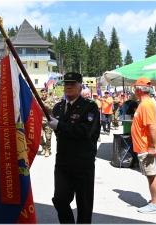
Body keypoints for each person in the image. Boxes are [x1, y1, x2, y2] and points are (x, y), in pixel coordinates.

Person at [46, 72, 100, 223]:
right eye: (66, 84)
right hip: (63, 162)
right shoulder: (58, 107)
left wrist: (60, 126)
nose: (68, 87)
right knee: (60, 200)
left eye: (72, 84)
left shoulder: (89, 107)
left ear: (80, 86)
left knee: (84, 204)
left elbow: (85, 131)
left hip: (82, 162)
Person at [131, 77, 156, 213]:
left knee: (151, 174)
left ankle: (155, 204)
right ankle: (155, 201)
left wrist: (152, 147)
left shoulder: (147, 104)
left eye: (135, 88)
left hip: (146, 147)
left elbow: (153, 126)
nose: (134, 91)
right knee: (151, 174)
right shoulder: (144, 103)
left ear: (140, 90)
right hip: (143, 146)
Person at [39, 88, 55, 157]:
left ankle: (48, 150)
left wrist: (44, 105)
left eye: (44, 92)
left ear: (47, 93)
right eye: (42, 92)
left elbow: (52, 109)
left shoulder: (50, 100)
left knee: (48, 136)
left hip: (48, 120)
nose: (43, 93)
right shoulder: (39, 100)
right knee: (40, 136)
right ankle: (44, 147)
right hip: (40, 121)